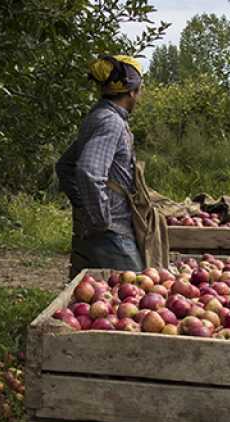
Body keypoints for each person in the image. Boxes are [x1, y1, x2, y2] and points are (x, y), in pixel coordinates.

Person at [56, 55, 145, 279]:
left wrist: (84, 206)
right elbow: (88, 171)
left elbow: (65, 166)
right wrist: (101, 219)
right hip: (113, 233)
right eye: (140, 90)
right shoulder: (110, 122)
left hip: (105, 231)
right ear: (132, 91)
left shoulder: (98, 117)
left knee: (101, 293)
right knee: (135, 289)